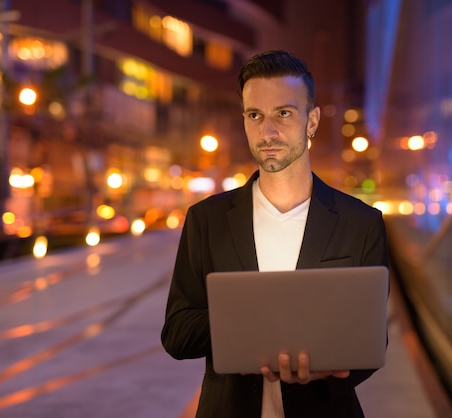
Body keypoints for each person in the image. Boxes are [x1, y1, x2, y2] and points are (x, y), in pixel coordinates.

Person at [161, 50, 388, 418]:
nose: (268, 131)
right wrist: (254, 317)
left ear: (312, 121)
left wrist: (327, 372)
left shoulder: (361, 223)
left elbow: (373, 341)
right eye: (255, 115)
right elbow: (177, 334)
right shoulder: (207, 219)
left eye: (283, 113)